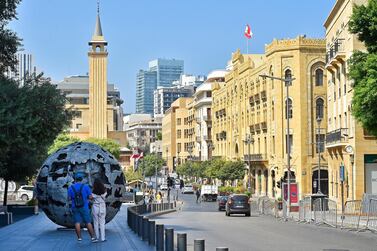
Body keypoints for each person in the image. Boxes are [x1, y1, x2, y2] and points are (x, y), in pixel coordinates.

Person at [68, 173, 97, 242]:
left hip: (75, 207)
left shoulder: (71, 187)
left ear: (75, 179)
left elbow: (69, 198)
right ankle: (92, 237)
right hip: (84, 207)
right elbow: (90, 197)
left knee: (77, 222)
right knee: (88, 222)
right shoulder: (86, 186)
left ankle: (79, 238)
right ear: (82, 179)